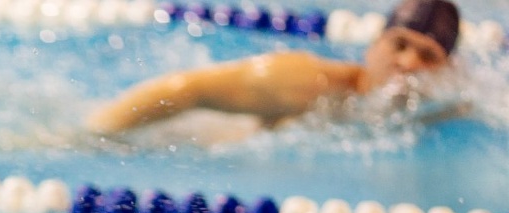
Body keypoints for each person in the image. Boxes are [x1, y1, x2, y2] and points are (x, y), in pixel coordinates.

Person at [85, 0, 461, 134]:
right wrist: (99, 132)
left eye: (427, 56)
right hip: (204, 141)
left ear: (447, 68)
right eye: (399, 44)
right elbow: (188, 88)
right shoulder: (302, 81)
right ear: (373, 45)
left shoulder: (440, 107)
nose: (407, 63)